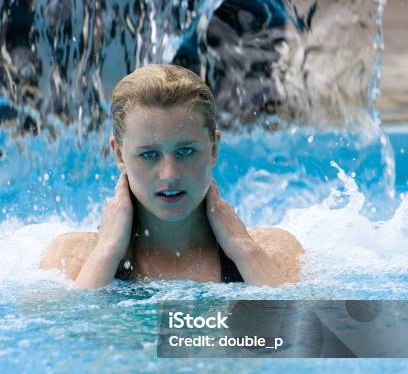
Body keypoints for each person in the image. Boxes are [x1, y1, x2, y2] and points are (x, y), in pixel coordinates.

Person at [40, 64, 304, 289]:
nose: (170, 175)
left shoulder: (273, 252)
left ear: (213, 148)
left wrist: (243, 248)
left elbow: (305, 335)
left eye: (186, 151)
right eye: (149, 155)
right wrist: (107, 252)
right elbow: (67, 342)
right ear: (119, 154)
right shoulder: (71, 258)